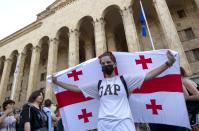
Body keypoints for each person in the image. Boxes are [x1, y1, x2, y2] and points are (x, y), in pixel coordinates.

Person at [52, 51, 176, 131]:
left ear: (114, 64)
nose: (106, 65)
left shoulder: (125, 80)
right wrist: (58, 82)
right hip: (104, 123)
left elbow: (148, 75)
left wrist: (168, 64)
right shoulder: (98, 84)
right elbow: (77, 89)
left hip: (124, 122)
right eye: (103, 63)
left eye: (108, 62)